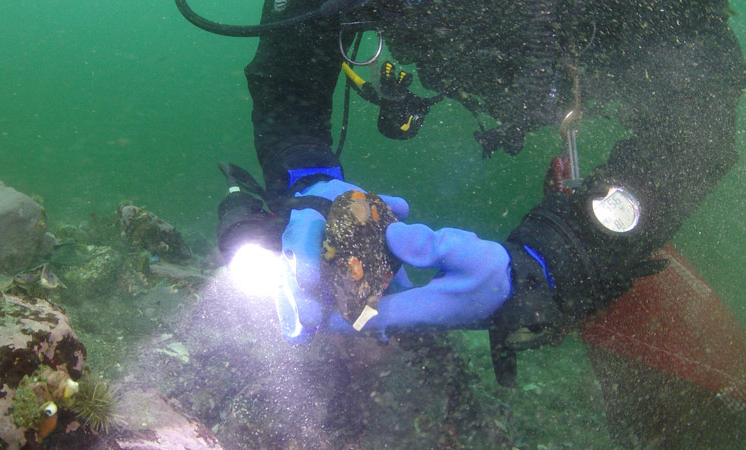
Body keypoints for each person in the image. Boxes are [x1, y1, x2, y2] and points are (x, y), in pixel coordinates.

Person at [239, 0, 745, 385]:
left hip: (595, 53)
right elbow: (288, 72)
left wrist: (559, 257)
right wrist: (308, 178)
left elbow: (703, 120)